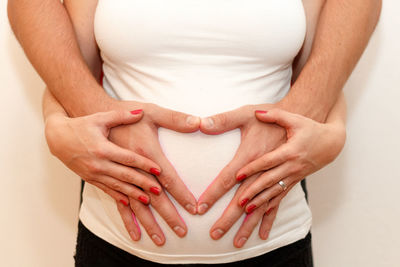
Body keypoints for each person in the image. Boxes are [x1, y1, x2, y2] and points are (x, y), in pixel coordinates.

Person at [8, 0, 381, 266]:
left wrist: (331, 132)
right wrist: (56, 124)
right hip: (116, 246)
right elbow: (70, 73)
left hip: (274, 248)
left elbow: (323, 78)